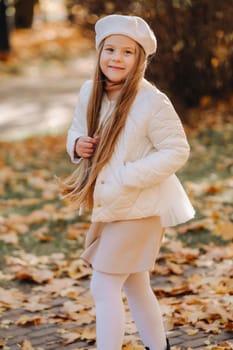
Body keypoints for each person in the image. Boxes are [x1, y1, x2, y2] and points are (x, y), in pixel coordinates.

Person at [64, 14, 195, 350]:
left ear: (139, 60)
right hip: (112, 205)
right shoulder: (90, 92)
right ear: (100, 53)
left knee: (103, 285)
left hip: (141, 206)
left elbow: (177, 150)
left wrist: (127, 176)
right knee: (136, 285)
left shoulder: (151, 101)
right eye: (110, 50)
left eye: (127, 52)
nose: (116, 58)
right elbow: (78, 128)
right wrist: (77, 145)